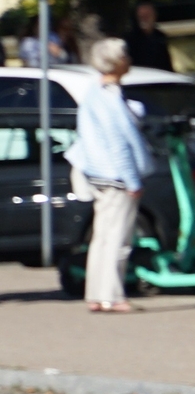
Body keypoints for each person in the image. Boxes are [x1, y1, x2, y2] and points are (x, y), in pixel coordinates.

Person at [64, 38, 154, 313]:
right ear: (118, 62)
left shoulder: (93, 92)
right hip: (116, 175)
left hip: (96, 173)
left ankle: (96, 294)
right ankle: (113, 296)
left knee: (102, 237)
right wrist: (133, 180)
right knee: (118, 239)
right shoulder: (111, 97)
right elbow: (119, 142)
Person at [125, 2, 174, 73]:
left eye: (147, 15)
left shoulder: (160, 36)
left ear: (154, 16)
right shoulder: (130, 38)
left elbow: (166, 62)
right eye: (142, 16)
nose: (145, 19)